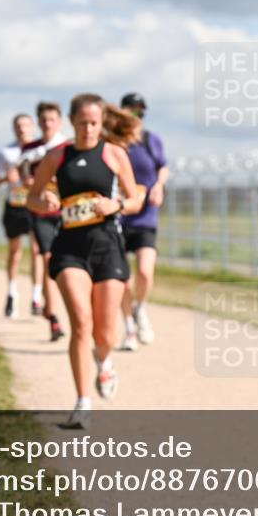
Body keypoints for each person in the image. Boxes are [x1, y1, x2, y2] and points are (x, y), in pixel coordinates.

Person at [27, 93, 143, 429]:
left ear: (102, 122)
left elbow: (136, 199)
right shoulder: (56, 156)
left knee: (104, 333)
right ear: (72, 122)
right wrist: (45, 199)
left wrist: (116, 205)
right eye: (83, 123)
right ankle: (82, 401)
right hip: (70, 247)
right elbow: (32, 198)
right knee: (81, 322)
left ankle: (103, 361)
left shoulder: (113, 153)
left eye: (95, 123)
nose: (89, 129)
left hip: (107, 244)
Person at [117, 93, 168, 349]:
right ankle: (128, 328)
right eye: (131, 111)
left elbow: (163, 167)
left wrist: (159, 185)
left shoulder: (151, 141)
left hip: (146, 216)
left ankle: (140, 308)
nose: (135, 116)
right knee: (122, 277)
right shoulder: (116, 143)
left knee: (145, 271)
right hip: (119, 216)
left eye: (140, 112)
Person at [18, 101, 69, 340]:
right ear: (38, 122)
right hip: (41, 214)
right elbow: (24, 175)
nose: (48, 124)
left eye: (52, 120)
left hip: (68, 214)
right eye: (44, 120)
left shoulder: (68, 147)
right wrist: (33, 184)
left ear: (59, 122)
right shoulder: (30, 148)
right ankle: (54, 319)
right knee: (49, 260)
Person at [0, 113, 43, 317]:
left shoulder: (40, 150)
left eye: (26, 125)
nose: (22, 129)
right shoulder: (6, 152)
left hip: (35, 204)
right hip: (14, 205)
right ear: (13, 128)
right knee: (15, 252)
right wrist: (5, 178)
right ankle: (12, 293)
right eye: (18, 126)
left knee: (37, 250)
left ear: (32, 127)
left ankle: (36, 296)